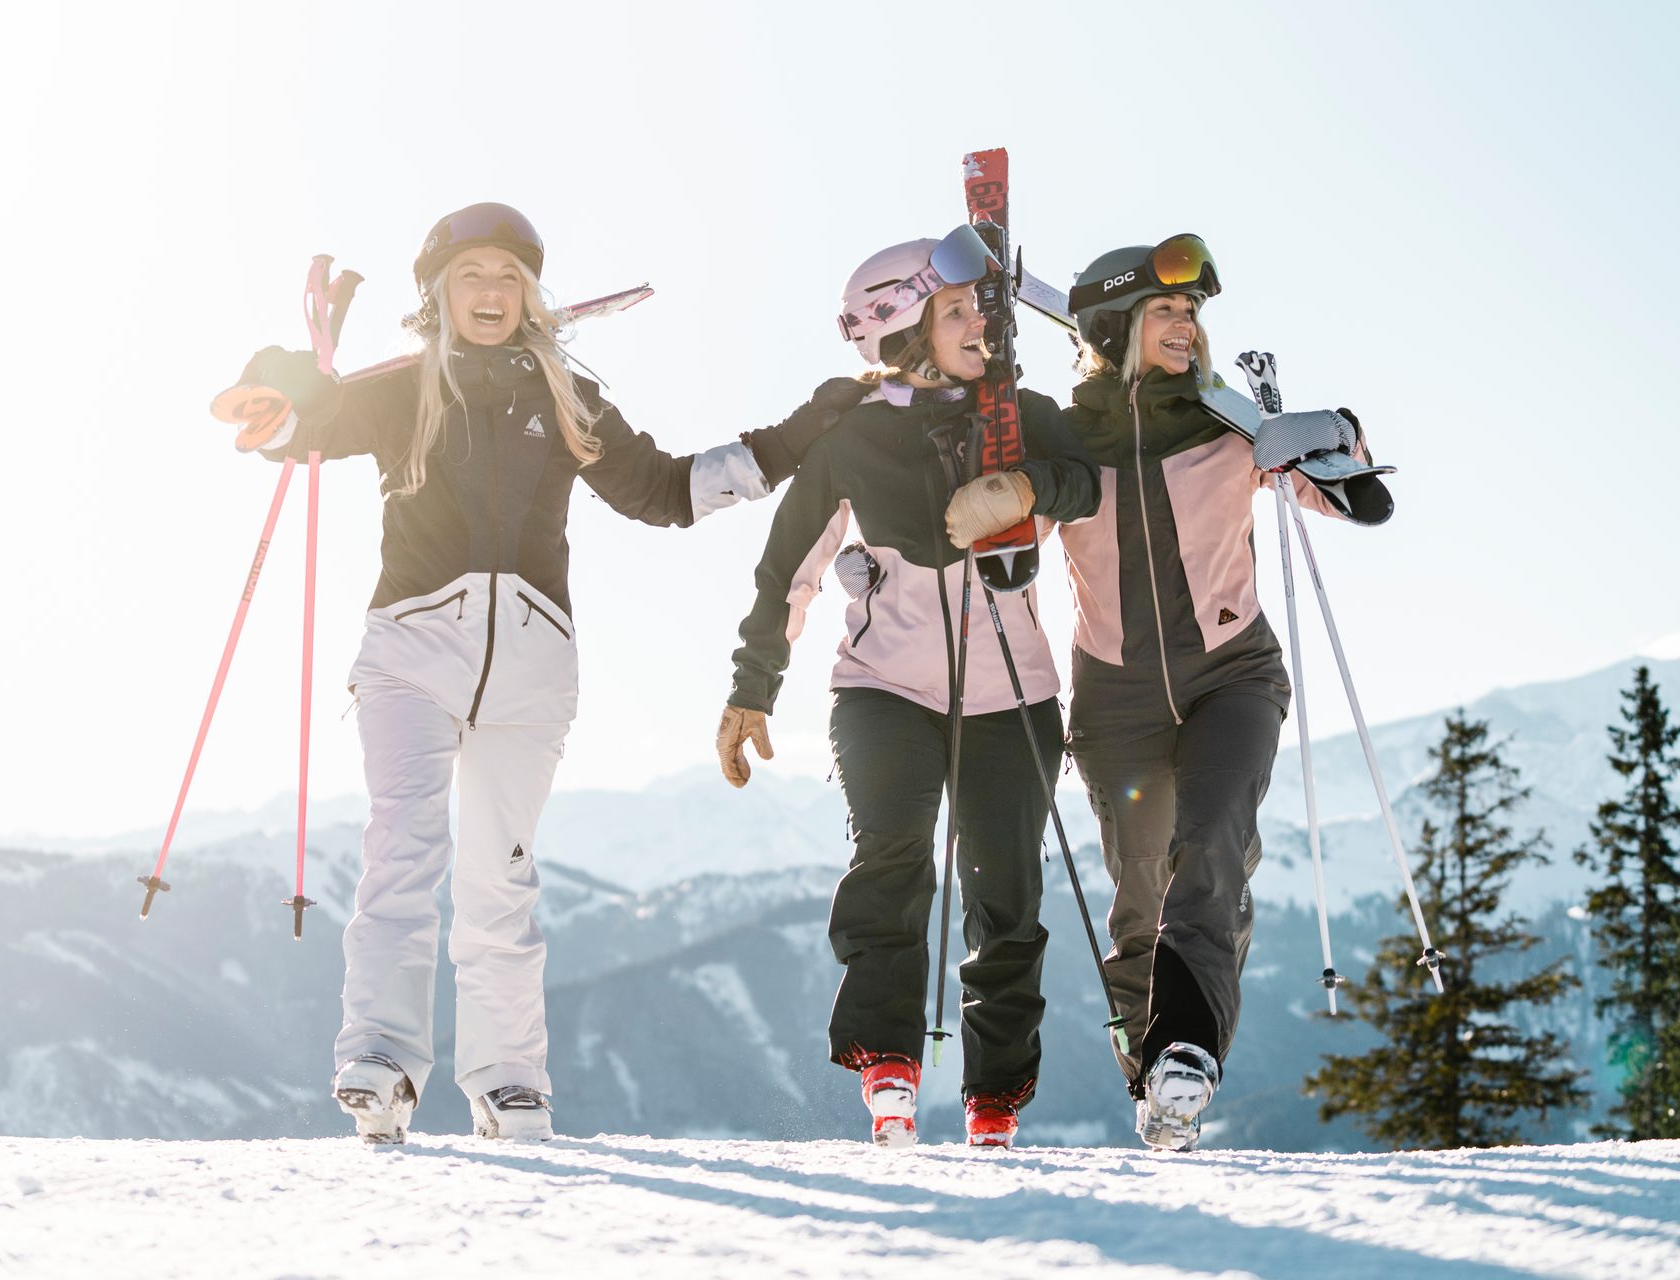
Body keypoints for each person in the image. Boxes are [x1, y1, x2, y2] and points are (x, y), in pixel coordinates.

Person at [231, 202, 864, 1144]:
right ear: (437, 293)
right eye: (470, 276)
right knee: (402, 850)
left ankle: (509, 1079)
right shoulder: (404, 388)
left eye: (506, 277)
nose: (490, 293)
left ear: (529, 292)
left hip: (531, 662)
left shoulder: (563, 396)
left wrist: (798, 435)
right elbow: (295, 432)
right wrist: (271, 395)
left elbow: (666, 492)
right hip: (411, 650)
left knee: (504, 872)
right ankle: (379, 1059)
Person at [713, 227, 1100, 1148]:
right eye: (956, 310)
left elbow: (1086, 482)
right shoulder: (854, 438)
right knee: (891, 862)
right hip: (885, 688)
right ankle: (888, 1063)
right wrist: (752, 688)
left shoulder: (1022, 410)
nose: (980, 323)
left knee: (1006, 894)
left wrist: (1025, 486)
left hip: (1015, 691)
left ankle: (994, 1098)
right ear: (900, 333)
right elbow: (786, 572)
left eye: (981, 308)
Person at [1057, 235, 1391, 1150]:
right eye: (1165, 310)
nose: (1187, 326)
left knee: (1211, 851)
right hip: (1114, 696)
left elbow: (1363, 501)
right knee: (1138, 893)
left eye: (1193, 311)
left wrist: (1332, 432)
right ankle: (1151, 1078)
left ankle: (1189, 1053)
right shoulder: (1062, 437)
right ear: (1114, 327)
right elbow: (998, 537)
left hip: (1233, 674)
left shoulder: (1228, 422)